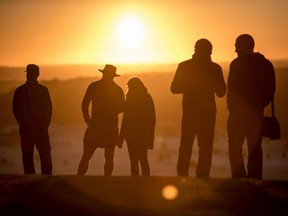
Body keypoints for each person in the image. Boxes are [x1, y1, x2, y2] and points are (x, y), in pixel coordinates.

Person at [171, 39, 226, 177]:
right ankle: (202, 177)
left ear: (195, 49)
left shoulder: (184, 66)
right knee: (205, 148)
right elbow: (221, 93)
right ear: (210, 51)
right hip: (207, 114)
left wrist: (190, 86)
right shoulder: (215, 68)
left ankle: (182, 175)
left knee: (185, 146)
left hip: (190, 112)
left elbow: (174, 88)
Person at [227, 34, 276, 179]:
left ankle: (239, 178)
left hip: (238, 113)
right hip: (256, 112)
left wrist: (232, 107)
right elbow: (271, 90)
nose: (235, 48)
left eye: (236, 45)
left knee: (235, 148)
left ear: (242, 46)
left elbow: (232, 88)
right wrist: (260, 105)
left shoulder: (236, 64)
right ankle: (255, 179)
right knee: (255, 148)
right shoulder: (266, 64)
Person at [77, 64, 125, 176]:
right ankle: (107, 181)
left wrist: (87, 119)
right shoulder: (118, 90)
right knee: (108, 157)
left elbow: (84, 104)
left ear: (103, 73)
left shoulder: (94, 86)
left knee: (87, 156)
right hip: (110, 126)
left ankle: (79, 178)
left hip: (96, 125)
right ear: (113, 76)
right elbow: (122, 108)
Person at [13, 64, 53, 175]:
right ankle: (46, 180)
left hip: (27, 127)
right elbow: (49, 109)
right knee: (44, 157)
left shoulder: (19, 91)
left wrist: (22, 122)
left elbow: (15, 110)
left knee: (27, 157)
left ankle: (30, 180)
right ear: (38, 74)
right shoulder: (43, 90)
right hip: (39, 127)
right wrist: (45, 124)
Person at [119, 77, 156, 176]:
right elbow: (152, 119)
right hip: (139, 136)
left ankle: (137, 181)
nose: (129, 89)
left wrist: (121, 137)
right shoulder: (146, 97)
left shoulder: (132, 98)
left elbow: (125, 120)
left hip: (134, 136)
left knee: (135, 161)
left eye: (130, 87)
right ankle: (144, 182)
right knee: (142, 160)